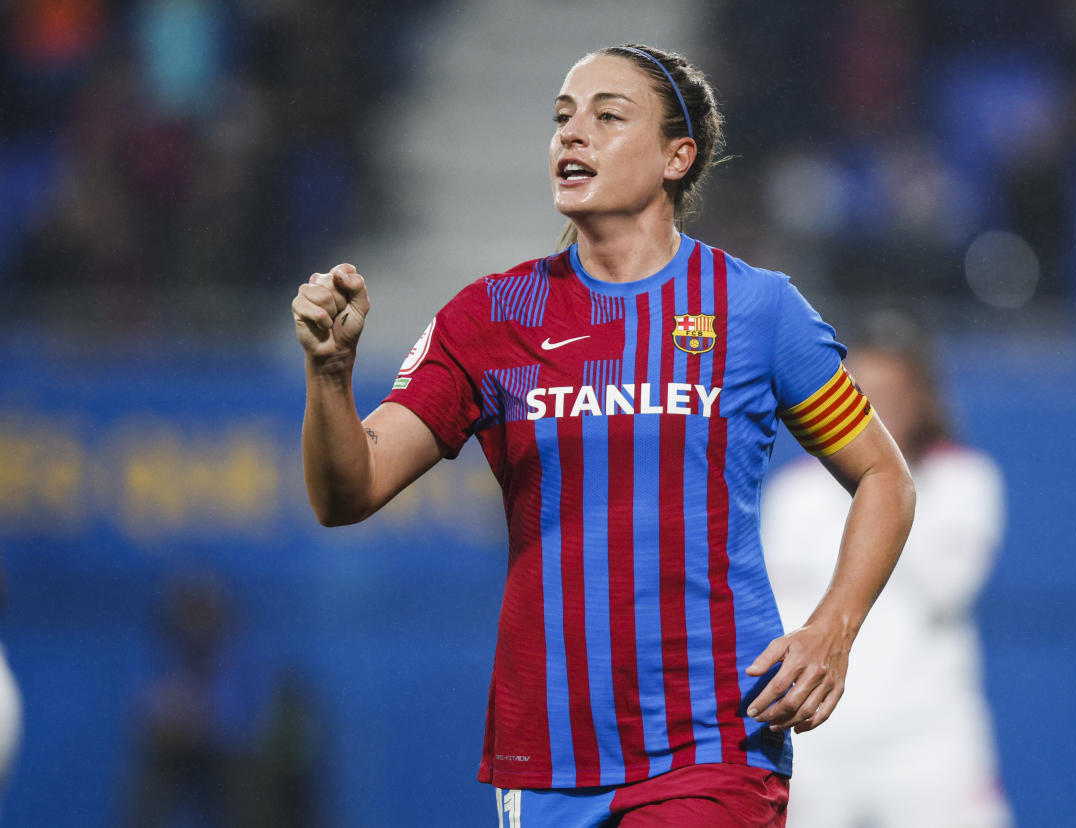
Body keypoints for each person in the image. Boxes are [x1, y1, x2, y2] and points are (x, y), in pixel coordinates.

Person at [291, 44, 915, 827]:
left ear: (675, 157)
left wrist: (834, 626)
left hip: (711, 742)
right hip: (545, 753)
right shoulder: (491, 318)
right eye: (562, 118)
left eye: (607, 117)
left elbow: (885, 478)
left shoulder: (754, 310)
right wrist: (329, 375)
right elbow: (349, 492)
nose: (571, 135)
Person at [761, 314, 1012, 828]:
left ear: (922, 397)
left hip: (926, 742)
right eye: (861, 392)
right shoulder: (792, 493)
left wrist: (881, 478)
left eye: (891, 393)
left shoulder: (965, 479)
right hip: (819, 739)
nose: (876, 408)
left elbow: (949, 585)